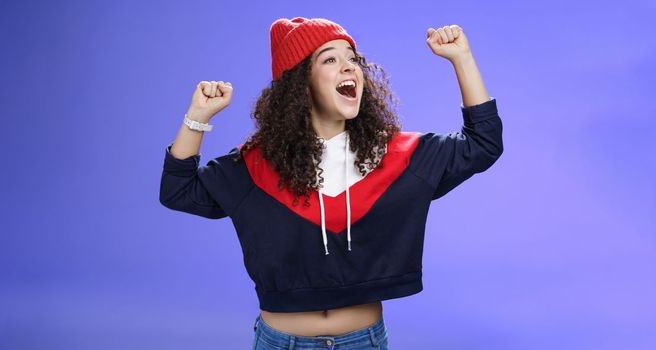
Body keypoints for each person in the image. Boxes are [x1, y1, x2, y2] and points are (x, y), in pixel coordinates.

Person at [160, 17, 502, 349]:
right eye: (331, 59)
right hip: (281, 343)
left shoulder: (397, 156)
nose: (350, 66)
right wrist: (197, 118)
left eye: (352, 58)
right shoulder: (254, 167)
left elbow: (483, 144)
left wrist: (462, 58)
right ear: (300, 83)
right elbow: (178, 191)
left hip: (363, 342)